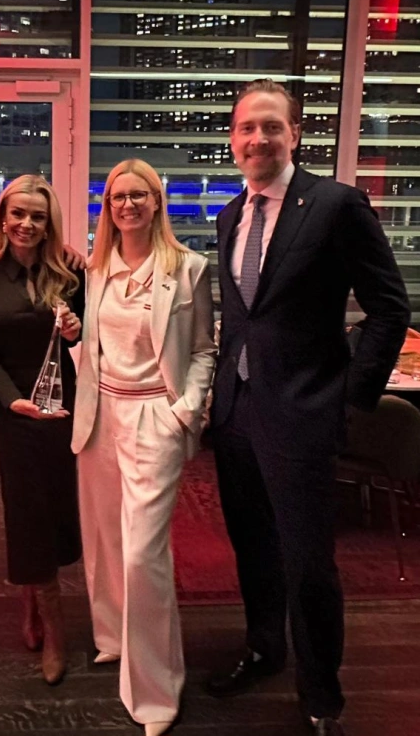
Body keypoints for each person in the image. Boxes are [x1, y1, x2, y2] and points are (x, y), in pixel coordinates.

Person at [206, 79, 411, 736]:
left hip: (303, 414)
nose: (257, 138)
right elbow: (243, 320)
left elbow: (390, 308)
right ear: (232, 139)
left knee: (308, 562)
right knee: (253, 547)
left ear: (295, 133)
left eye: (271, 126)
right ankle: (265, 647)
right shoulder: (230, 216)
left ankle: (322, 692)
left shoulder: (335, 204)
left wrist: (349, 398)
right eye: (245, 128)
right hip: (237, 414)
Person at [71, 158, 216, 736]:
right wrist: (73, 336)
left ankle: (157, 691)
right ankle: (111, 637)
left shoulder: (189, 268)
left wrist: (188, 410)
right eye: (115, 198)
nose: (126, 206)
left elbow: (205, 348)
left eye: (138, 195)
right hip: (101, 413)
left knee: (143, 555)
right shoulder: (97, 266)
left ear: (157, 201)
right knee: (104, 539)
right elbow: (98, 343)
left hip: (157, 412)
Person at [0, 175, 84, 685]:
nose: (26, 224)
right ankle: (53, 625)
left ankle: (34, 599)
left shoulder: (70, 273)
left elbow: (88, 330)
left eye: (37, 216)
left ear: (49, 223)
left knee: (56, 507)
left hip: (63, 406)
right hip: (12, 411)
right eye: (18, 213)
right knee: (25, 510)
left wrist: (78, 327)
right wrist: (9, 400)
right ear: (2, 218)